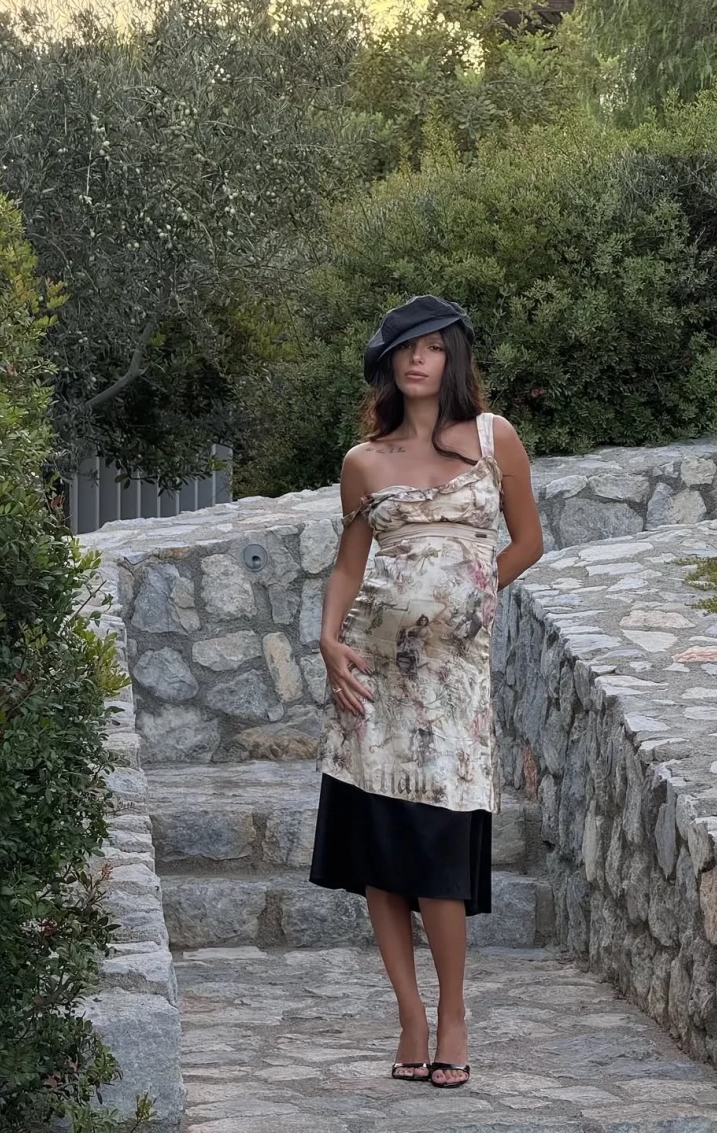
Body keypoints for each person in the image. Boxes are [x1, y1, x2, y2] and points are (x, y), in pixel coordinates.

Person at [308, 295, 544, 1088]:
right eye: (407, 347)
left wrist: (478, 593)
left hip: (453, 686)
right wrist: (328, 640)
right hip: (375, 678)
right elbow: (349, 563)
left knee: (439, 853)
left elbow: (527, 541)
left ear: (453, 358)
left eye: (434, 346)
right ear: (390, 362)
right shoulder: (363, 461)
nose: (419, 358)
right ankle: (409, 1014)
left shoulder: (494, 438)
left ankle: (453, 1014)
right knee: (381, 857)